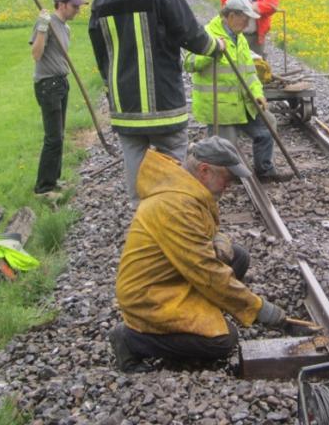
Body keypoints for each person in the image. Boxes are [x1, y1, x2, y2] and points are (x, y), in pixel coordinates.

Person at [110, 136, 288, 371]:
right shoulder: (175, 205)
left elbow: (204, 232)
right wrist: (258, 309)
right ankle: (131, 339)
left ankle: (200, 311)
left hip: (172, 275)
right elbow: (207, 271)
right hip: (148, 296)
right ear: (205, 170)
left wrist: (218, 239)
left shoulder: (185, 185)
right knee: (224, 341)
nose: (230, 185)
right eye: (228, 178)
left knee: (238, 256)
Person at [89, 0, 224, 201]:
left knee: (135, 164)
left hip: (125, 105)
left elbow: (100, 54)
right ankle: (171, 214)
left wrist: (111, 86)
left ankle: (143, 219)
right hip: (164, 103)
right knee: (172, 164)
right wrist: (215, 47)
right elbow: (192, 34)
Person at [183, 0, 292, 183]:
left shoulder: (239, 38)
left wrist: (257, 93)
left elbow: (250, 73)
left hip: (243, 102)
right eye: (245, 18)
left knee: (268, 126)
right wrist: (212, 51)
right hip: (220, 107)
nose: (248, 23)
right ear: (231, 16)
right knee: (225, 150)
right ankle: (222, 179)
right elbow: (188, 63)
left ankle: (265, 170)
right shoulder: (207, 33)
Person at [30, 0, 87, 196]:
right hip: (48, 85)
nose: (78, 10)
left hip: (61, 83)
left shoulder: (65, 28)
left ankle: (53, 180)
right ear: (62, 4)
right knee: (53, 137)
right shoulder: (45, 23)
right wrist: (43, 28)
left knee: (59, 135)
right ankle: (43, 188)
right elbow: (36, 55)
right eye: (75, 6)